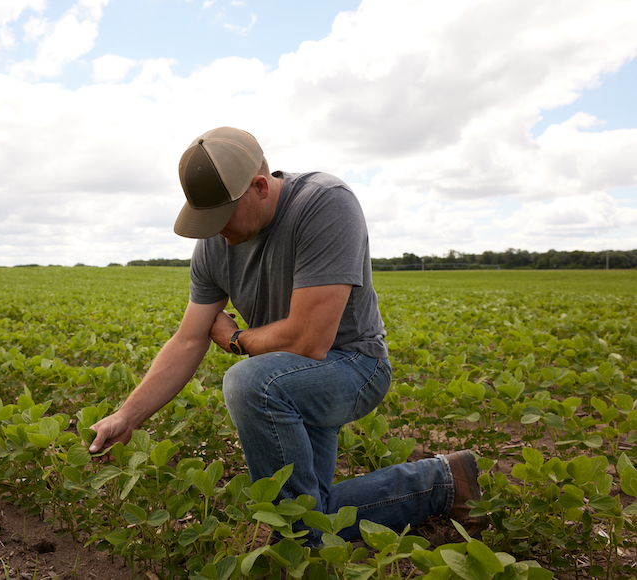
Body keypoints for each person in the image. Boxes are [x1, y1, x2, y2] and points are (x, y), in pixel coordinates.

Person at [89, 126, 486, 542]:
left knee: (249, 382)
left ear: (260, 187)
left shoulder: (324, 204)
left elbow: (309, 341)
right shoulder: (214, 244)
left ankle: (299, 529)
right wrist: (126, 415)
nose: (217, 231)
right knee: (309, 517)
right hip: (285, 376)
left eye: (223, 217)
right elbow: (189, 339)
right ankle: (441, 481)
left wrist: (237, 340)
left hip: (352, 364)